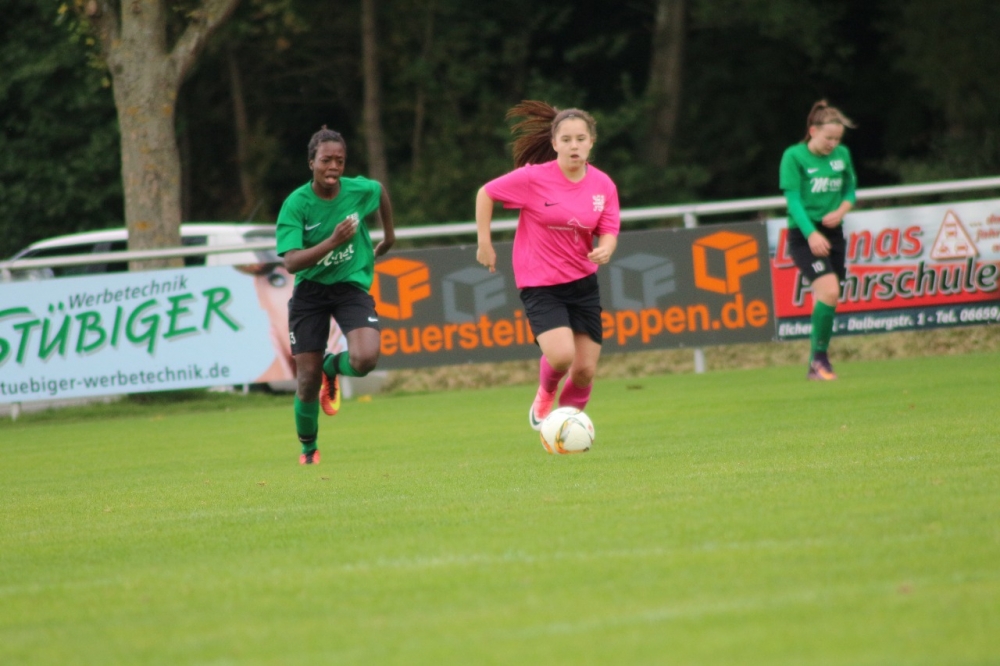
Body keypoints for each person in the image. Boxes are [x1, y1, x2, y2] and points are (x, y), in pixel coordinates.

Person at [475, 100, 620, 430]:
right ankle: (546, 392)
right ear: (554, 143)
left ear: (591, 142)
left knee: (584, 371)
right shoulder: (532, 178)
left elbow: (609, 227)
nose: (573, 146)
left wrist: (606, 248)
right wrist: (484, 242)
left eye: (580, 139)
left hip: (583, 283)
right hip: (540, 283)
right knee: (562, 356)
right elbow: (486, 193)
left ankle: (564, 431)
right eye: (566, 139)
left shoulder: (603, 185)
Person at [276, 126, 395, 464]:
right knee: (307, 379)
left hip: (349, 286)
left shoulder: (357, 190)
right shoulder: (296, 204)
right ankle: (308, 448)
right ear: (311, 163)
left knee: (365, 359)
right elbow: (291, 262)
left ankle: (332, 365)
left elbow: (379, 190)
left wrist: (389, 237)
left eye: (339, 161)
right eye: (326, 160)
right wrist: (333, 241)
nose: (333, 167)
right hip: (310, 292)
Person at [780, 100, 858, 381]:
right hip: (805, 234)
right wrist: (811, 234)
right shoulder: (793, 156)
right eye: (828, 138)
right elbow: (793, 201)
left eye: (837, 139)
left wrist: (841, 210)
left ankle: (816, 363)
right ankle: (820, 360)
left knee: (830, 296)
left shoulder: (842, 155)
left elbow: (850, 190)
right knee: (829, 291)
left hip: (833, 233)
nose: (833, 144)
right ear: (813, 131)